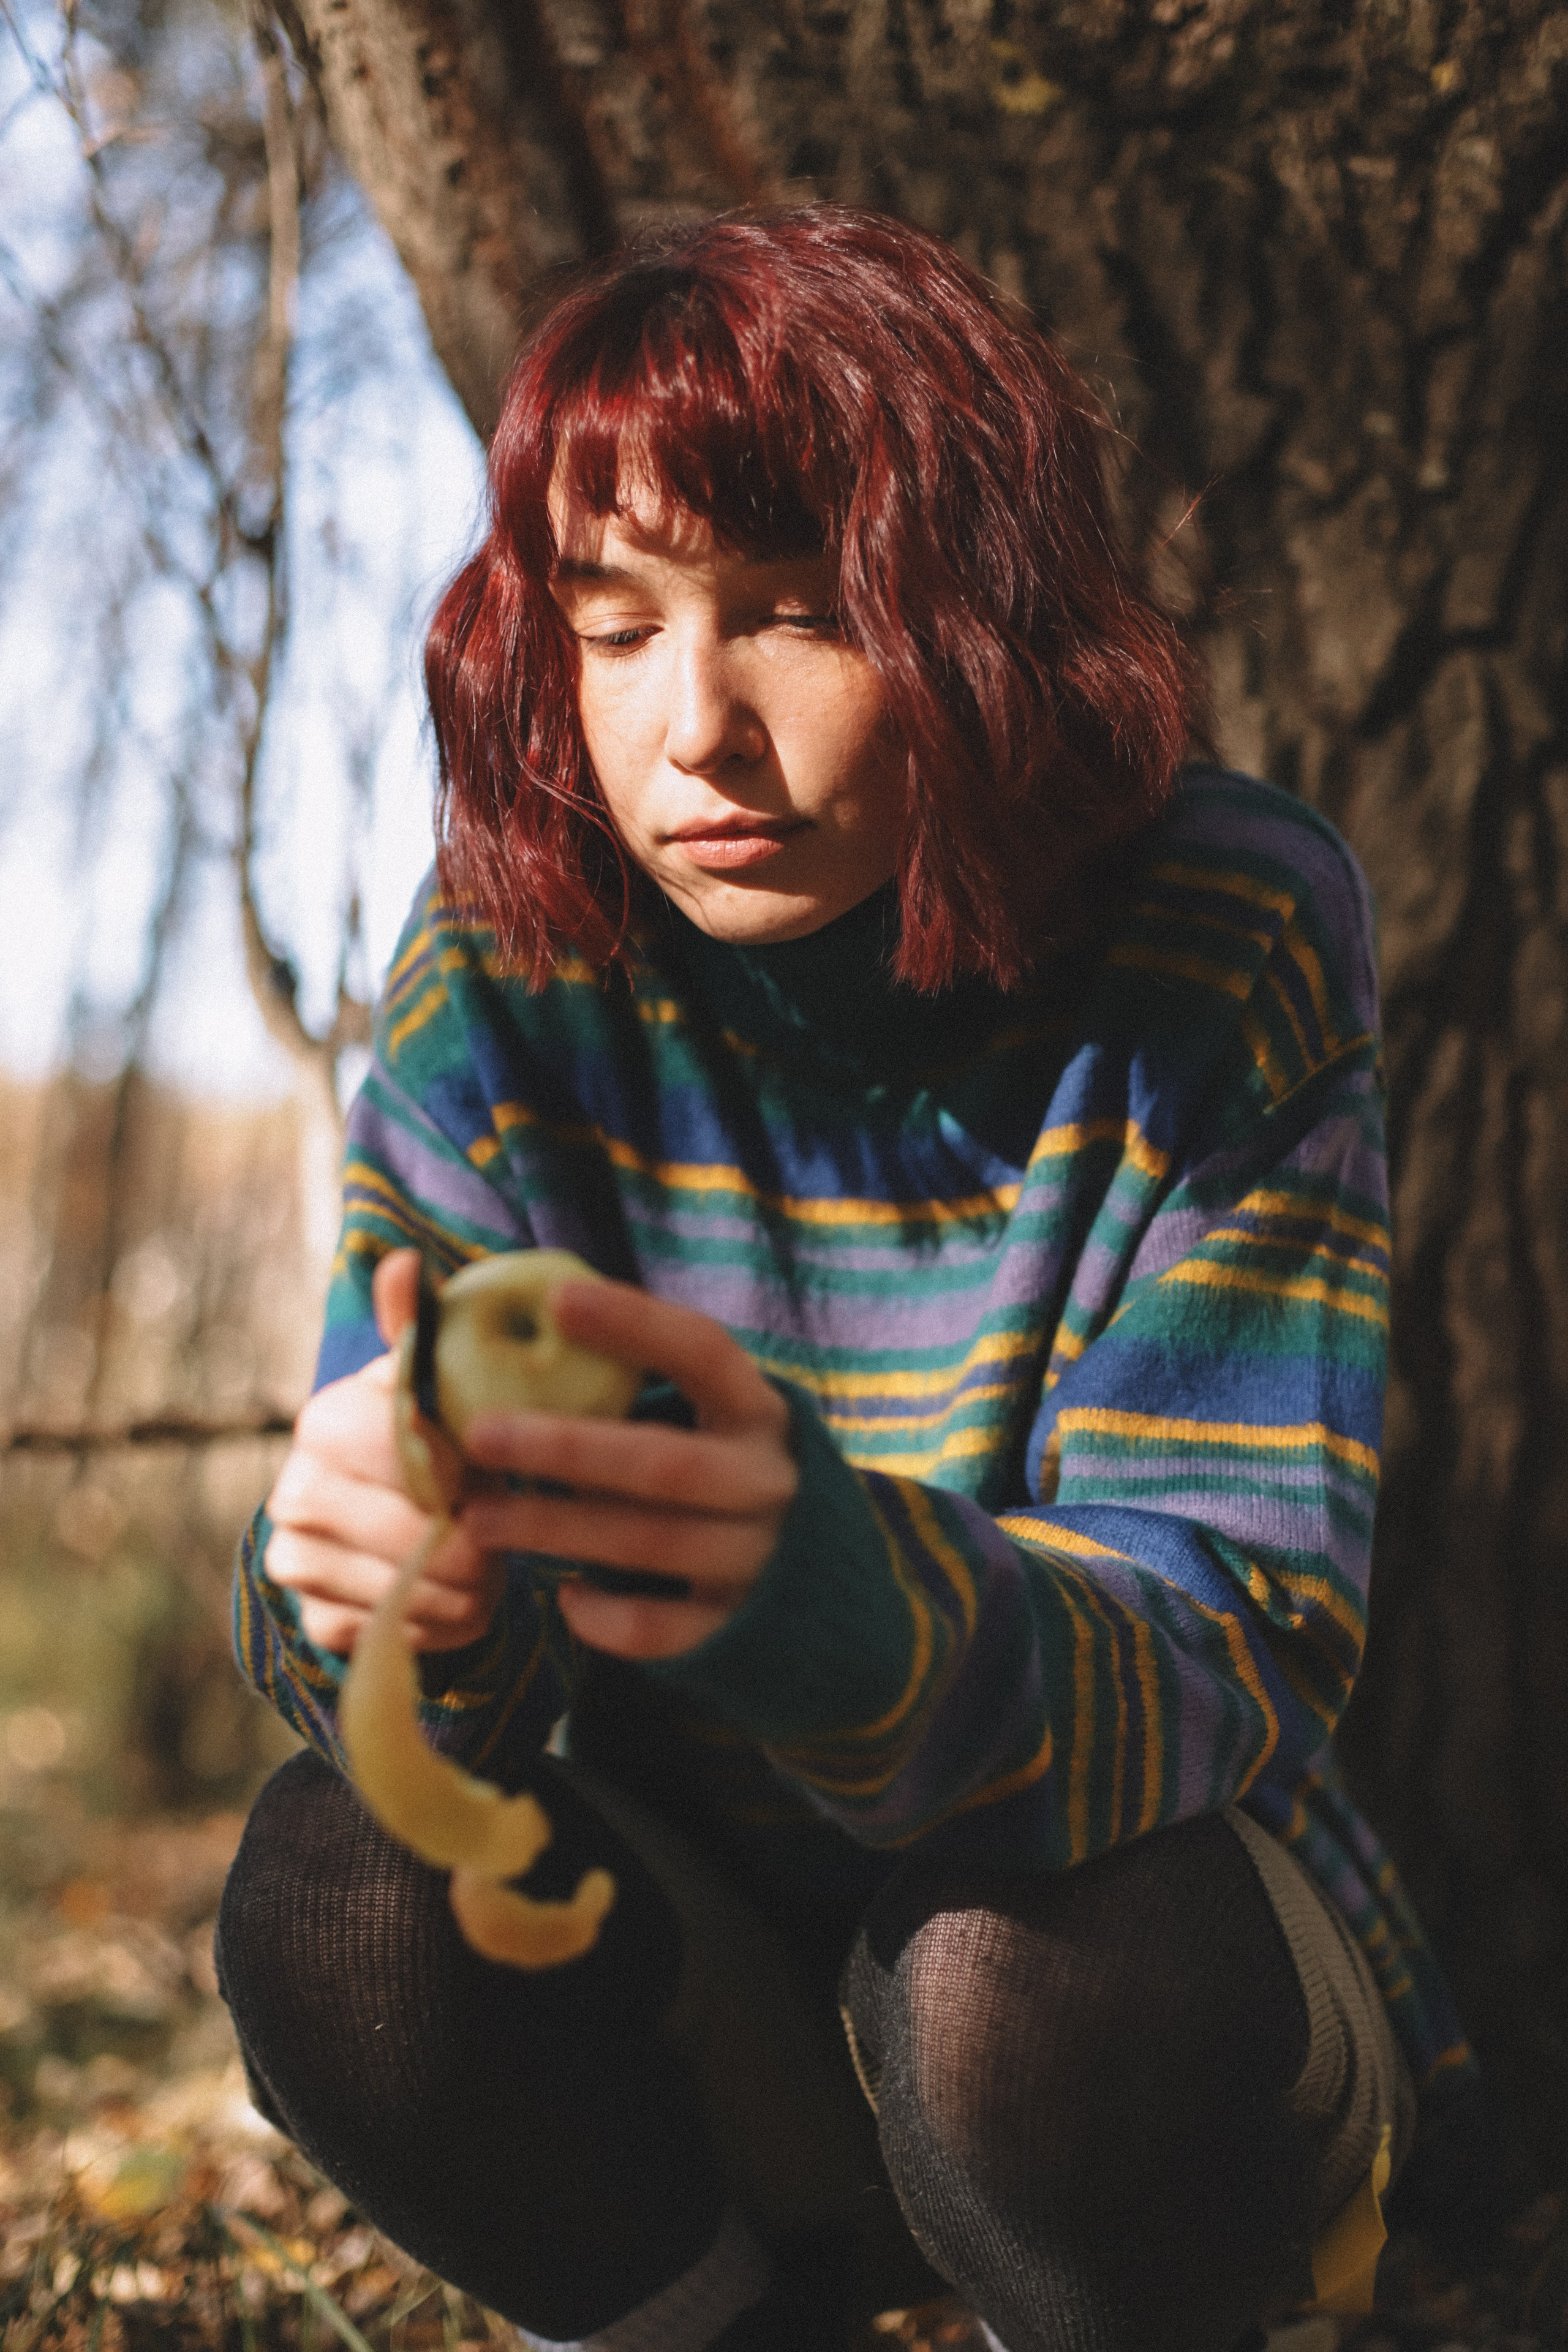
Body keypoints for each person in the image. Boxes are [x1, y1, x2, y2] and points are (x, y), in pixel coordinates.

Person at [216, 206, 1474, 2352]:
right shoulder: (506, 973)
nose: (691, 728)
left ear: (979, 620)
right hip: (712, 2024)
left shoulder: (1219, 932)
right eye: (612, 629)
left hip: (1124, 2019)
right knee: (334, 1886)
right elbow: (423, 1712)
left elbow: (1230, 1640)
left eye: (792, 616)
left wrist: (820, 1589)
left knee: (1013, 1981)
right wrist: (377, 1599)